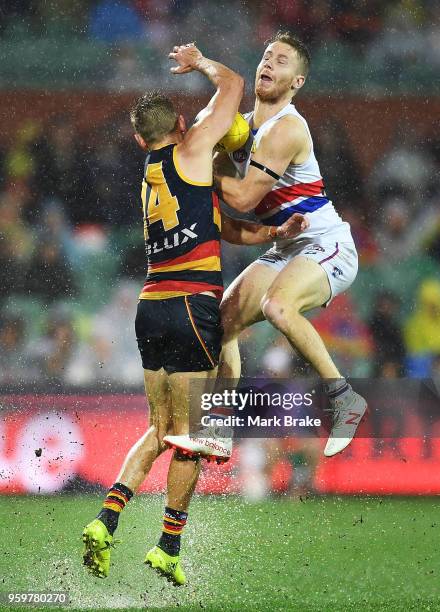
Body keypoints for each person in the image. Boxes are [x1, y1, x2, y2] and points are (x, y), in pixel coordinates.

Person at [82, 43, 309, 586]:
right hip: (190, 306)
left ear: (140, 139)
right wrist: (201, 63)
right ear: (183, 123)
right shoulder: (193, 148)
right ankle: (167, 545)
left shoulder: (153, 172)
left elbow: (219, 224)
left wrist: (271, 234)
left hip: (152, 305)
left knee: (159, 428)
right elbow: (232, 88)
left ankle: (106, 518)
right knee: (190, 434)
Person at [167, 31, 367, 461]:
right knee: (221, 323)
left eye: (282, 60)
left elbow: (240, 198)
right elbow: (219, 210)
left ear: (297, 82)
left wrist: (202, 160)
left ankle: (345, 397)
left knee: (278, 307)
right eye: (266, 56)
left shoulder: (287, 129)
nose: (269, 64)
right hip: (287, 245)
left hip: (327, 242)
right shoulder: (241, 130)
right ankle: (217, 430)